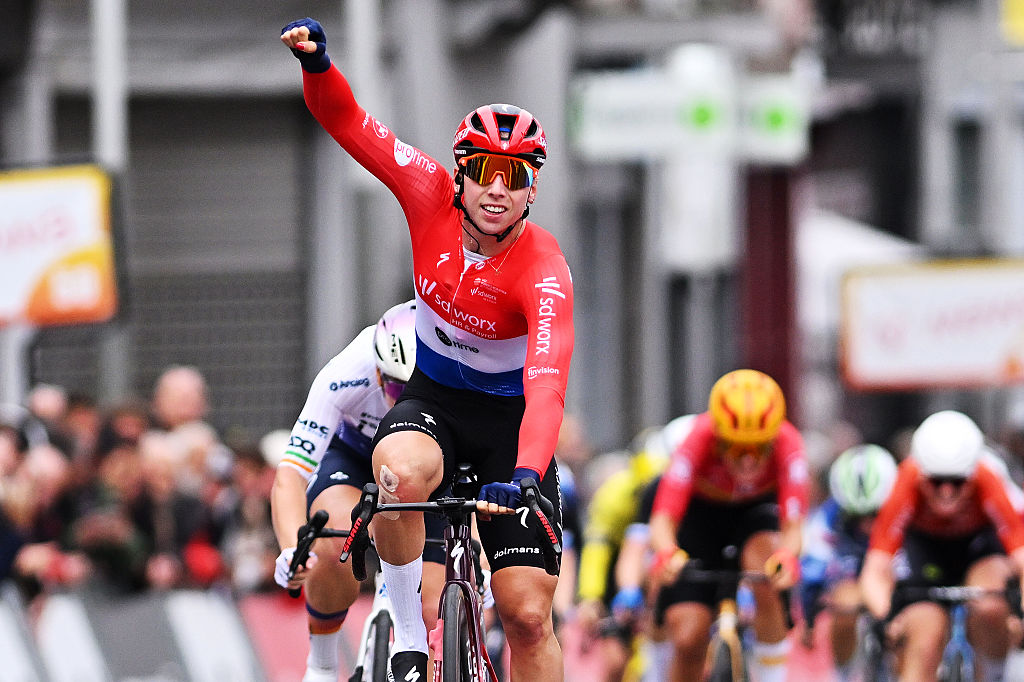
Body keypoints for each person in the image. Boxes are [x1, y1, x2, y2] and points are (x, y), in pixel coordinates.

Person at [280, 18, 575, 681]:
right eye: (486, 173)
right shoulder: (426, 193)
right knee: (396, 471)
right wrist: (319, 69)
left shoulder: (545, 269)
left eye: (516, 175)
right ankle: (411, 636)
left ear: (531, 188)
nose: (498, 189)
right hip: (435, 400)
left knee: (527, 616)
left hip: (509, 427)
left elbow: (549, 381)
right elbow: (352, 124)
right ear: (462, 175)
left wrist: (528, 472)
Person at [271, 301, 438, 682]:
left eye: (416, 388)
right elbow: (290, 475)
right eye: (396, 386)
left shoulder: (459, 365)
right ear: (378, 374)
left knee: (432, 606)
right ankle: (323, 664)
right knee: (331, 546)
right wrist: (290, 549)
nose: (403, 399)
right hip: (355, 457)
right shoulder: (347, 372)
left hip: (428, 467)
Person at [648, 369, 809, 682]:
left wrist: (787, 557)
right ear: (718, 438)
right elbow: (663, 518)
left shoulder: (789, 442)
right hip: (701, 515)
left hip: (756, 512)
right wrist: (667, 551)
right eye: (736, 448)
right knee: (688, 636)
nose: (748, 462)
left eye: (759, 448)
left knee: (766, 566)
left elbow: (793, 527)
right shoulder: (699, 436)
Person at [859, 410, 1024, 682]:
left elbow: (1020, 556)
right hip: (927, 556)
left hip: (978, 551)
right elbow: (876, 568)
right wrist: (886, 617)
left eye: (957, 482)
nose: (946, 492)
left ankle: (993, 674)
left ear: (971, 477)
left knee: (991, 606)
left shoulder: (987, 479)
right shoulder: (906, 481)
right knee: (924, 635)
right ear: (922, 476)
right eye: (936, 482)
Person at [575, 416, 694, 682]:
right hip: (621, 562)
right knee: (616, 661)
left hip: (667, 555)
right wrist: (591, 597)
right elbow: (598, 550)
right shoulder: (614, 496)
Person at [798, 444, 898, 681]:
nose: (867, 525)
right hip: (851, 580)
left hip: (895, 584)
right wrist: (808, 617)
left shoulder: (905, 510)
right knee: (844, 602)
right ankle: (842, 674)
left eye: (876, 514)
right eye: (857, 516)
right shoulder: (827, 519)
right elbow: (812, 569)